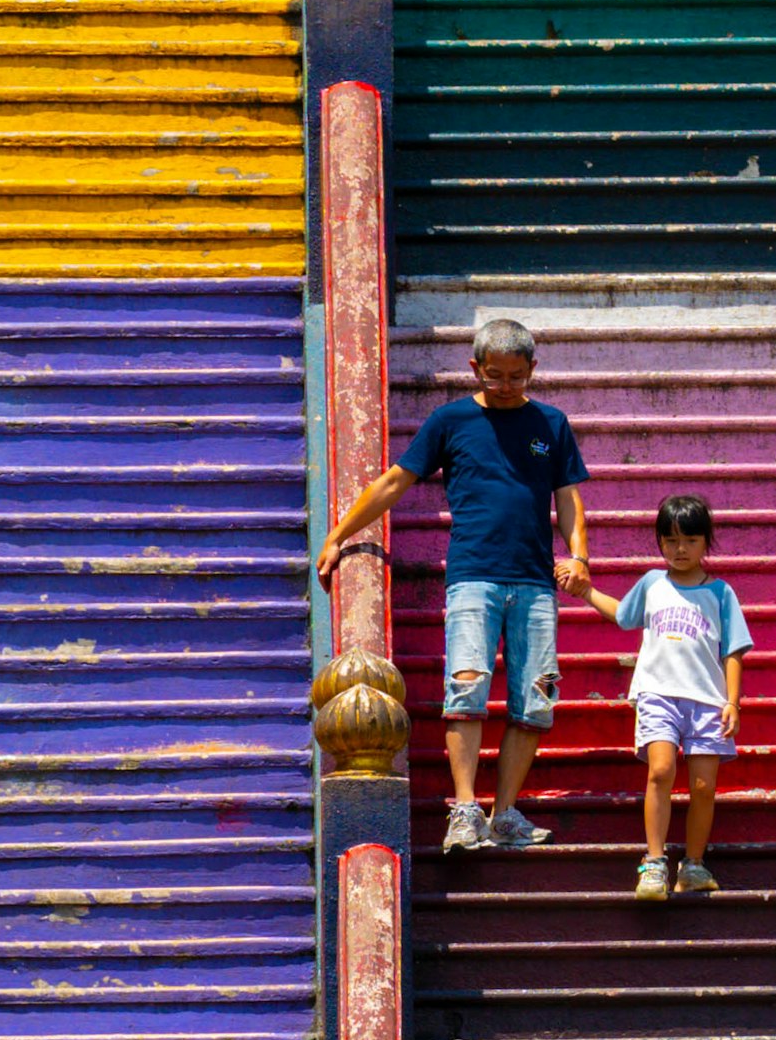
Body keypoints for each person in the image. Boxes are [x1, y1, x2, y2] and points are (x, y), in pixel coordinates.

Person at [318, 312, 591, 857]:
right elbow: (396, 480)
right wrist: (338, 534)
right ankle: (465, 811)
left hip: (535, 582)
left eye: (517, 376)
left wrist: (579, 555)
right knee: (466, 691)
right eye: (495, 375)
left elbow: (568, 498)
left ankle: (505, 813)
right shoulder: (451, 421)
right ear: (475, 368)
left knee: (534, 701)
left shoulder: (551, 424)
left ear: (533, 369)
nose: (506, 385)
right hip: (473, 578)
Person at [613, 487, 748, 909]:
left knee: (704, 786)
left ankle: (692, 865)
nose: (679, 548)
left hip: (707, 700)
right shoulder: (652, 582)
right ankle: (654, 862)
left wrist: (732, 701)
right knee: (661, 771)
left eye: (689, 540)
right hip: (658, 695)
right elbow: (622, 616)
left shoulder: (722, 593)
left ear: (706, 541)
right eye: (670, 540)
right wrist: (583, 592)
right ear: (659, 543)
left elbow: (734, 651)